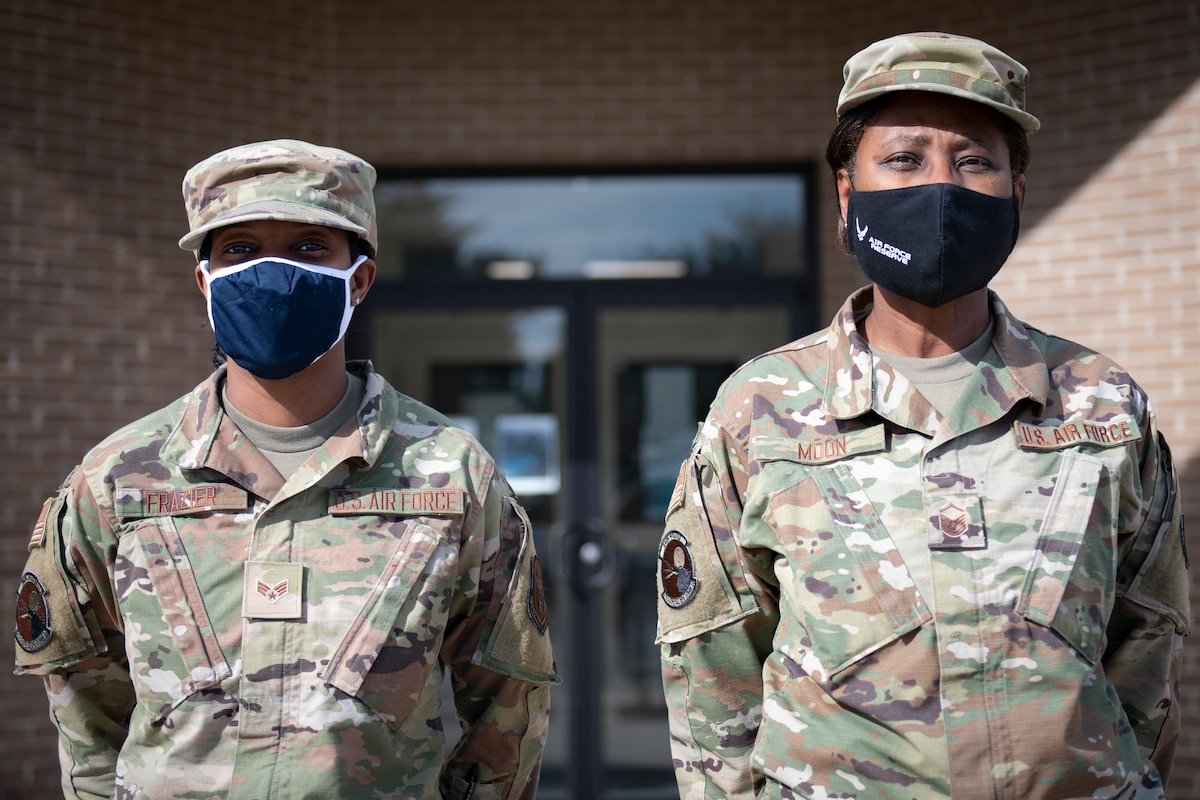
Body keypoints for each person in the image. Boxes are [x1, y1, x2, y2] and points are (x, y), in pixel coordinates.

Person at [656, 32, 1190, 799]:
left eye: (974, 161)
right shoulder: (762, 408)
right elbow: (714, 665)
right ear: (848, 195)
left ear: (1017, 193)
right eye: (905, 159)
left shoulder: (1101, 403)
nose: (941, 187)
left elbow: (1149, 646)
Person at [14, 139, 557, 800]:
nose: (272, 273)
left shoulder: (451, 476)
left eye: (308, 247)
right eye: (240, 249)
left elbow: (505, 715)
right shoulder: (118, 480)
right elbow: (86, 716)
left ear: (359, 279)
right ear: (205, 281)